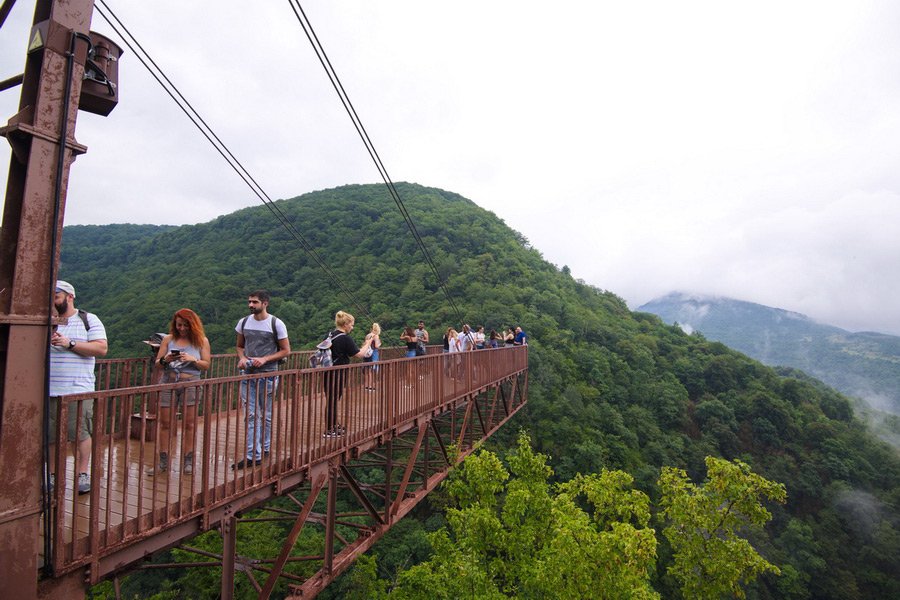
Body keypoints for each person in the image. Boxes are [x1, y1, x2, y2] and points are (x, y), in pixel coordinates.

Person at [48, 280, 108, 495]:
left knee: (80, 433)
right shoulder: (44, 320)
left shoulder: (87, 320)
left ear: (69, 297)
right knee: (51, 435)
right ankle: (52, 475)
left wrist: (70, 344)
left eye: (56, 297)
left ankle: (82, 474)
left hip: (77, 389)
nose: (52, 301)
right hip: (48, 389)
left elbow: (101, 348)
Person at [148, 309, 211, 475]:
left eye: (185, 325)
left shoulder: (201, 341)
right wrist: (166, 359)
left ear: (193, 325)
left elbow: (205, 365)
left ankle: (188, 461)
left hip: (191, 382)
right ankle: (163, 461)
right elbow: (158, 365)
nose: (182, 328)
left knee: (189, 424)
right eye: (179, 325)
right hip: (168, 381)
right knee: (165, 423)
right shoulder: (168, 340)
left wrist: (193, 359)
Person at [233, 290, 290, 469]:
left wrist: (264, 359)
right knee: (251, 415)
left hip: (269, 374)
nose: (251, 305)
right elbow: (239, 346)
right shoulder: (243, 322)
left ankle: (264, 447)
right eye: (250, 302)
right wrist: (242, 359)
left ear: (265, 304)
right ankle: (253, 455)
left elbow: (286, 350)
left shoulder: (276, 323)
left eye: (255, 302)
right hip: (248, 373)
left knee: (265, 413)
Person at [322, 311, 373, 437]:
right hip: (338, 371)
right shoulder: (345, 338)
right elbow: (359, 354)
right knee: (333, 400)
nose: (352, 327)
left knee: (331, 399)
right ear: (345, 324)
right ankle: (329, 429)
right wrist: (368, 344)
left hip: (327, 371)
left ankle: (333, 425)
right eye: (351, 324)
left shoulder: (329, 335)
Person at [363, 322, 381, 391]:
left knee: (367, 370)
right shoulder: (376, 336)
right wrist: (379, 345)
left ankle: (366, 385)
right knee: (372, 371)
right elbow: (376, 346)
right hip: (373, 353)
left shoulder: (367, 335)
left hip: (367, 353)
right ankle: (371, 386)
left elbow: (365, 344)